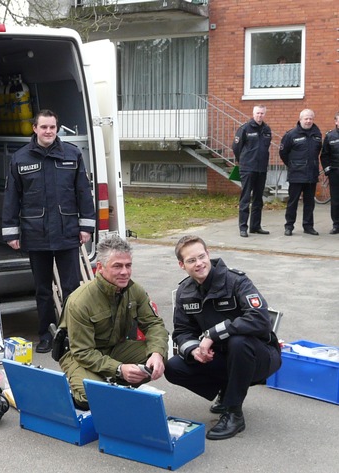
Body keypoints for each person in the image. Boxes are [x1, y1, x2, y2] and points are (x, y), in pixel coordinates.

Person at [165, 235, 281, 440]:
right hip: (221, 357)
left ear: (208, 254)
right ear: (182, 265)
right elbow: (182, 331)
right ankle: (227, 392)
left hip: (260, 356)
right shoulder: (185, 291)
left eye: (202, 257)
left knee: (238, 342)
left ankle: (234, 413)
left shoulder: (236, 280)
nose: (199, 263)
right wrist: (193, 350)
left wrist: (213, 334)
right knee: (174, 367)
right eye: (192, 260)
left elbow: (261, 318)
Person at [2, 109, 96, 353]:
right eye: (43, 127)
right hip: (36, 234)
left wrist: (86, 227)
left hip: (67, 233)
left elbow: (83, 192)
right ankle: (46, 334)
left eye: (52, 127)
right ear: (35, 128)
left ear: (57, 128)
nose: (48, 131)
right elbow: (12, 196)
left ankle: (72, 335)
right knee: (43, 290)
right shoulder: (20, 158)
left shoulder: (72, 154)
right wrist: (11, 232)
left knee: (72, 289)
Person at [58, 234, 168, 409]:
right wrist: (119, 369)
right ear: (100, 267)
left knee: (155, 357)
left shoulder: (134, 290)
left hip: (112, 349)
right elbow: (83, 352)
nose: (125, 272)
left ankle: (114, 389)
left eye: (128, 265)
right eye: (117, 266)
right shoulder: (80, 301)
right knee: (91, 398)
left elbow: (154, 325)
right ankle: (78, 387)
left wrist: (156, 353)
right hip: (78, 355)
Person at [279, 109, 323, 236]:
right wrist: (292, 165)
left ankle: (308, 226)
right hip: (296, 175)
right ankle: (289, 226)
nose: (308, 121)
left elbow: (317, 151)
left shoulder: (317, 134)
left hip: (311, 175)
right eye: (306, 118)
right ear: (300, 119)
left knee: (309, 203)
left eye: (310, 118)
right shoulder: (291, 134)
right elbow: (283, 153)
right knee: (293, 202)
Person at [232, 105, 272, 237]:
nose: (260, 115)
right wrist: (243, 161)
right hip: (248, 168)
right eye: (258, 113)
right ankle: (243, 227)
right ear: (253, 114)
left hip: (261, 169)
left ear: (264, 114)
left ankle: (255, 226)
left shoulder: (266, 129)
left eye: (262, 113)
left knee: (258, 199)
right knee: (245, 198)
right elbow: (236, 147)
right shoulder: (245, 128)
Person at [320, 111, 339, 234]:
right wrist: (328, 171)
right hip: (336, 172)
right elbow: (324, 155)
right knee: (336, 200)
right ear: (336, 122)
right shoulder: (330, 136)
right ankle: (336, 225)